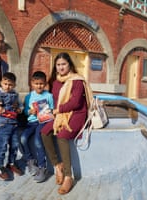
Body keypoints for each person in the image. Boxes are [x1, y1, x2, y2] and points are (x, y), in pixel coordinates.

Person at [41, 52, 94, 195]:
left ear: (70, 64)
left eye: (64, 64)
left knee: (62, 136)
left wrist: (58, 110)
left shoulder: (77, 80)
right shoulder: (55, 81)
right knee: (44, 132)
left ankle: (68, 176)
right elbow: (50, 98)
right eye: (58, 65)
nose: (61, 67)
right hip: (60, 114)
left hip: (77, 113)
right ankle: (57, 165)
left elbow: (76, 102)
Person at [0, 72, 24, 181]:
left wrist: (20, 109)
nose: (7, 86)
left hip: (14, 124)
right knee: (2, 146)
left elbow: (20, 105)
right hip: (2, 124)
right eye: (5, 84)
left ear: (14, 85)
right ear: (1, 83)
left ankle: (11, 163)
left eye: (10, 84)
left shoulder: (16, 95)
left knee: (15, 145)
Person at [19, 71, 54, 183]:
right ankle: (30, 160)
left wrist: (47, 112)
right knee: (23, 138)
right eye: (36, 83)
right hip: (31, 123)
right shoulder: (29, 96)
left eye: (41, 84)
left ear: (45, 84)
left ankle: (42, 167)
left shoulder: (49, 96)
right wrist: (30, 111)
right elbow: (24, 111)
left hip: (43, 122)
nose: (39, 86)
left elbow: (53, 110)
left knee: (38, 141)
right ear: (32, 83)